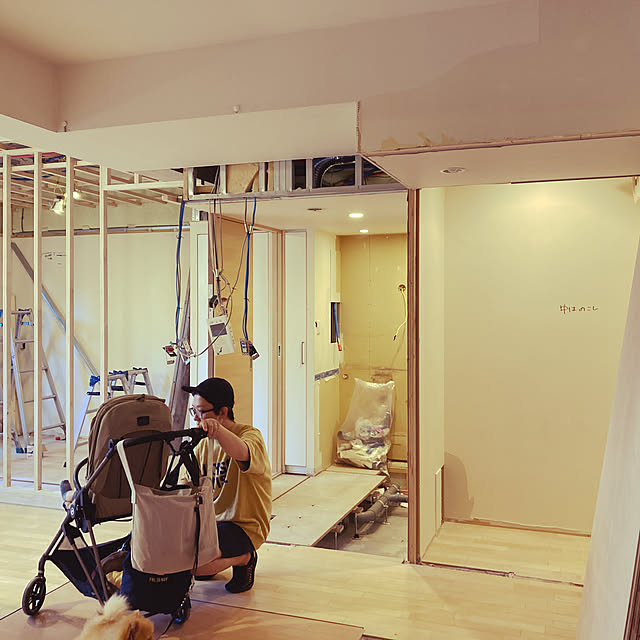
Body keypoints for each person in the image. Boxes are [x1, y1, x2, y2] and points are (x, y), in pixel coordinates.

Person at [181, 376, 272, 593]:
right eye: (193, 411)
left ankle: (245, 558)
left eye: (201, 412)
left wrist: (219, 431)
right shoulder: (202, 444)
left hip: (244, 526)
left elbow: (242, 452)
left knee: (194, 566)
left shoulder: (250, 435)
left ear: (222, 412)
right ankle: (213, 559)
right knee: (180, 558)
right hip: (212, 523)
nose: (196, 418)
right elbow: (185, 484)